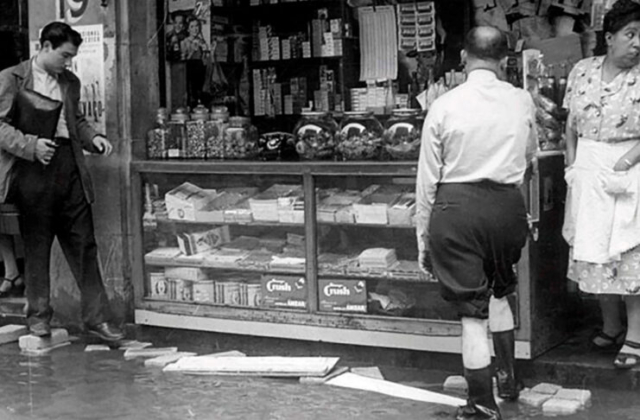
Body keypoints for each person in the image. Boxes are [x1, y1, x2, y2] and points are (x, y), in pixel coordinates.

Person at [416, 26, 537, 420]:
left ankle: (481, 404)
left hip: (457, 209)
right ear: (505, 61)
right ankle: (508, 378)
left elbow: (427, 180)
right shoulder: (522, 101)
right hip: (506, 206)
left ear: (464, 59)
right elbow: (530, 155)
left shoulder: (444, 104)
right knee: (499, 291)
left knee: (472, 312)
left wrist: (423, 238)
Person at [0, 22, 124, 342]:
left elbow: (75, 121)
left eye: (71, 57)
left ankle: (98, 320)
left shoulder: (70, 81)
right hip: (32, 170)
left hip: (69, 165)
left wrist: (92, 138)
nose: (68, 62)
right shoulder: (11, 78)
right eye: (64, 55)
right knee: (37, 245)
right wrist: (30, 146)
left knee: (84, 244)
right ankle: (38, 318)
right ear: (44, 47)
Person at [563, 0, 640, 369]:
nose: (637, 43)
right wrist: (572, 164)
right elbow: (570, 125)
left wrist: (625, 163)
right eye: (631, 34)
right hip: (588, 169)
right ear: (609, 37)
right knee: (594, 251)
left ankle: (636, 336)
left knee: (628, 255)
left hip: (630, 169)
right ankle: (611, 327)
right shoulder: (582, 70)